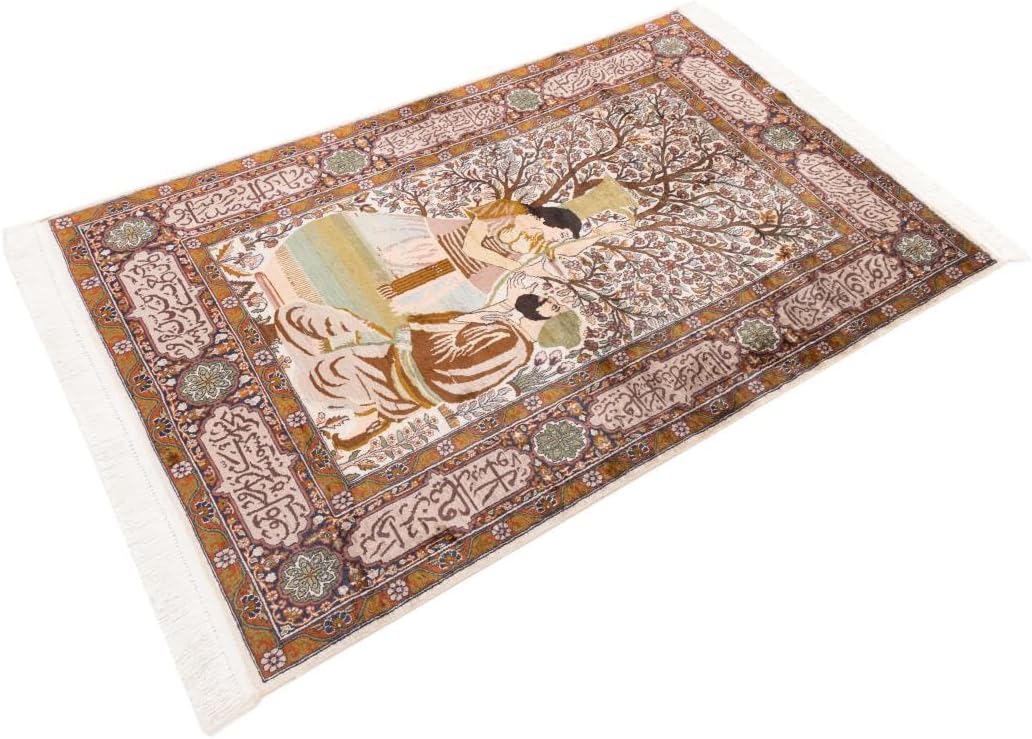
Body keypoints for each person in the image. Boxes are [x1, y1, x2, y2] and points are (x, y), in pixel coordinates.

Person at [272, 292, 563, 450]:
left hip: (412, 375)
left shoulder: (512, 343)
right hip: (405, 361)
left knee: (326, 372)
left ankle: (371, 411)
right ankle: (370, 408)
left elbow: (460, 371)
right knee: (314, 329)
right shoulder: (506, 330)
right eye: (547, 300)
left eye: (550, 303)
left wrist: (416, 338)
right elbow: (456, 335)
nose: (551, 302)